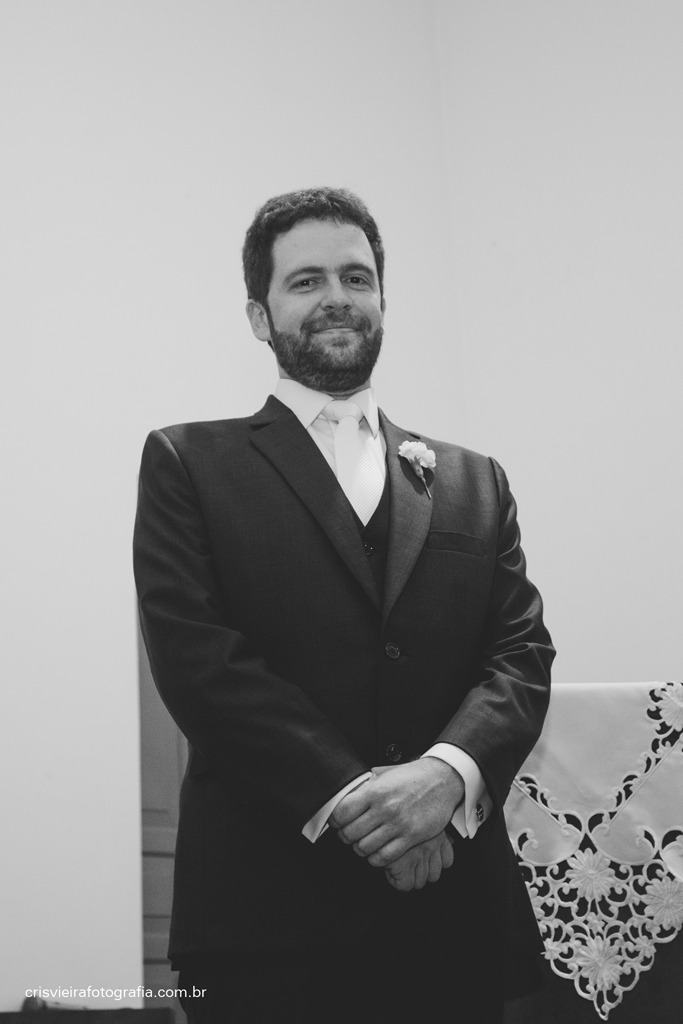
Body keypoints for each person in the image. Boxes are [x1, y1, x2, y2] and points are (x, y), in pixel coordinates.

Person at [133, 187, 555, 1024]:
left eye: (356, 277)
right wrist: (370, 809)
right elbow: (199, 662)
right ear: (259, 317)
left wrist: (444, 778)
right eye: (306, 280)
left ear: (382, 302)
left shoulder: (475, 480)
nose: (336, 296)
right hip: (267, 914)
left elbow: (520, 655)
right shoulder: (187, 462)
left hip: (450, 917)